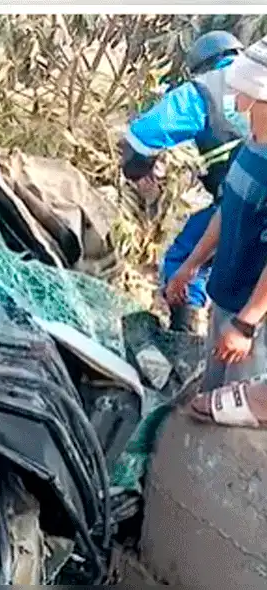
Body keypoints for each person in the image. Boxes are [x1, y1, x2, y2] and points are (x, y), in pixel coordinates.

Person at [166, 36, 267, 427]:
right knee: (206, 402)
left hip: (253, 322)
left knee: (237, 418)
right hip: (225, 298)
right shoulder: (252, 146)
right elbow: (227, 212)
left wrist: (245, 324)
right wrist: (190, 265)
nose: (237, 105)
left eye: (245, 97)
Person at [121, 30, 246, 333]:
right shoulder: (259, 75)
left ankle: (184, 343)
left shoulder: (205, 89)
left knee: (186, 260)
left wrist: (137, 171)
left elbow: (143, 136)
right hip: (246, 194)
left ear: (202, 65)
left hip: (246, 200)